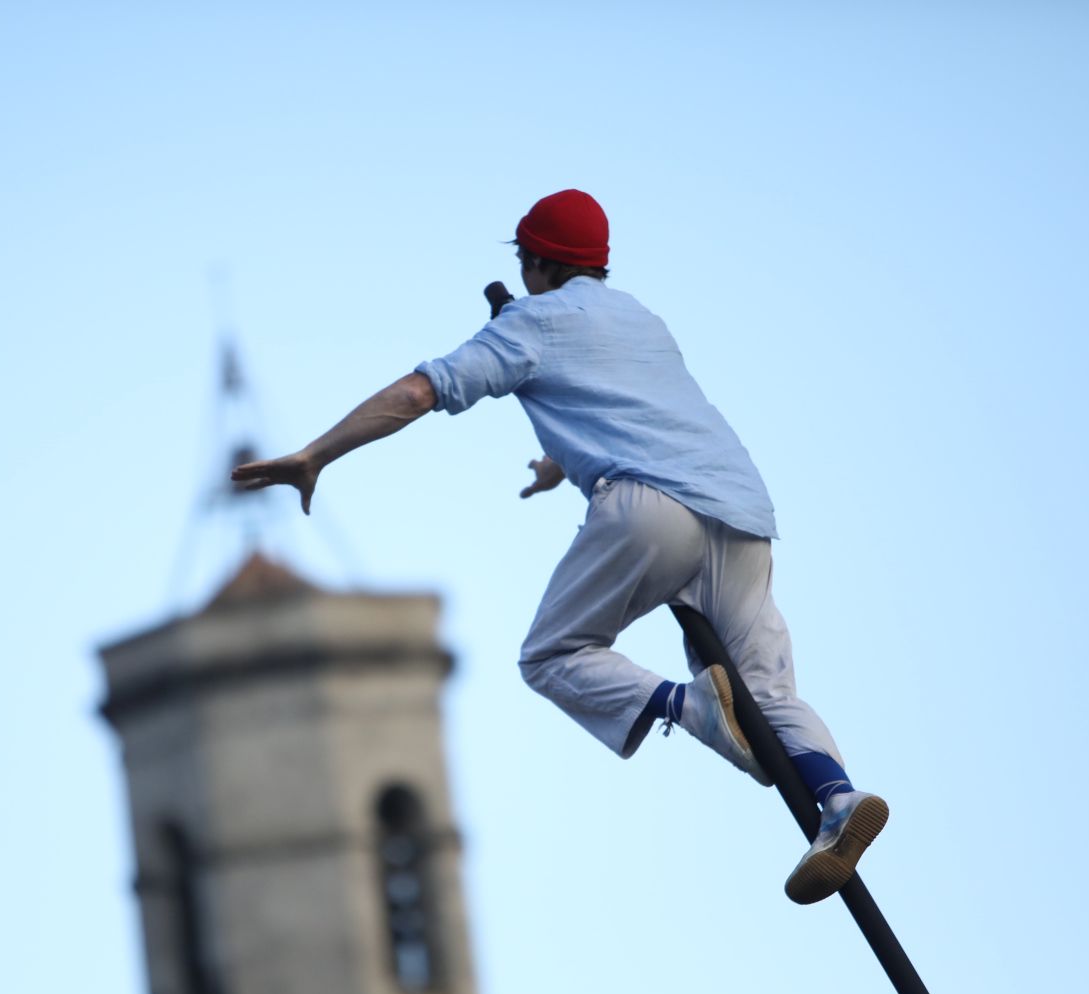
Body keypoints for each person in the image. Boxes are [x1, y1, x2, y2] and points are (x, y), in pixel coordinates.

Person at [231, 189, 886, 904]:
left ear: (536, 262)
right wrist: (560, 462)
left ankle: (688, 707)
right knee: (767, 698)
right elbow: (631, 405)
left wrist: (317, 454)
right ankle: (840, 800)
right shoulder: (640, 317)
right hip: (741, 509)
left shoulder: (529, 323)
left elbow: (421, 393)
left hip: (649, 511)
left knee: (552, 655)